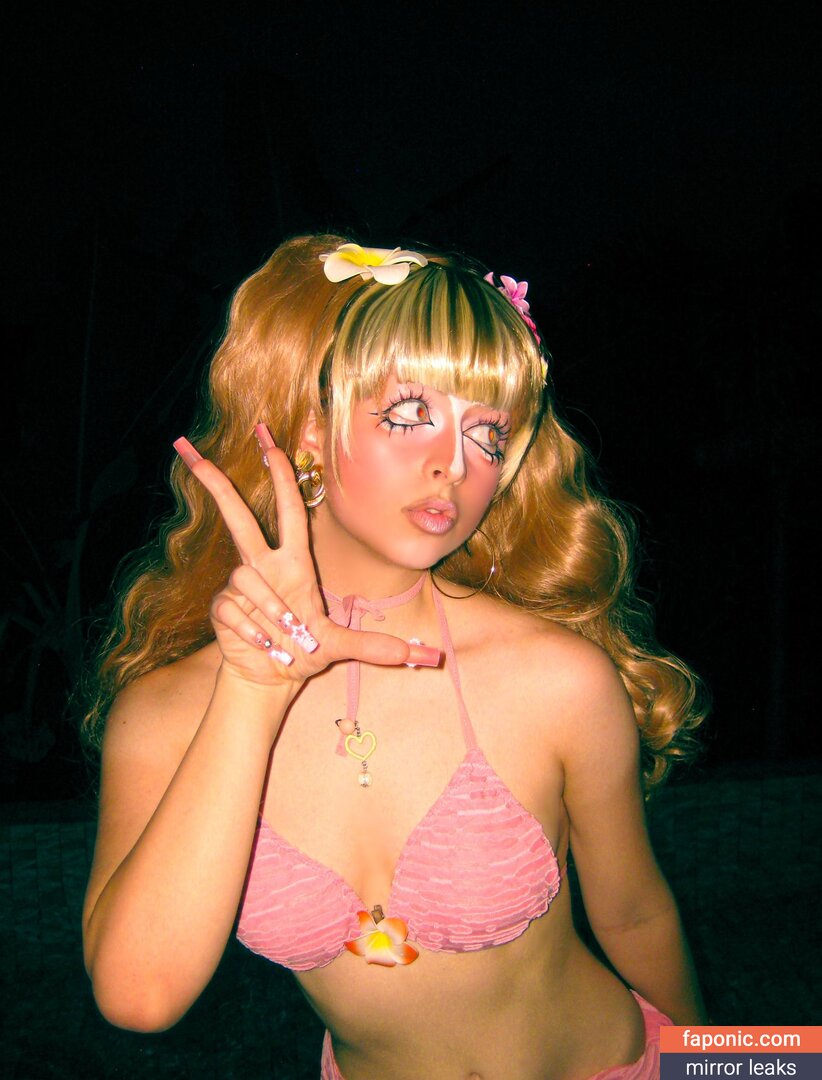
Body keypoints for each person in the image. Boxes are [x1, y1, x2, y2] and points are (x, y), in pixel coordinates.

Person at [81, 234, 706, 1079]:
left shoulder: (557, 679)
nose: (454, 463)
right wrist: (254, 690)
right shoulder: (166, 715)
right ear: (311, 428)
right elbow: (138, 996)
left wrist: (733, 1065)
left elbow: (635, 915)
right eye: (410, 415)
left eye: (488, 434)